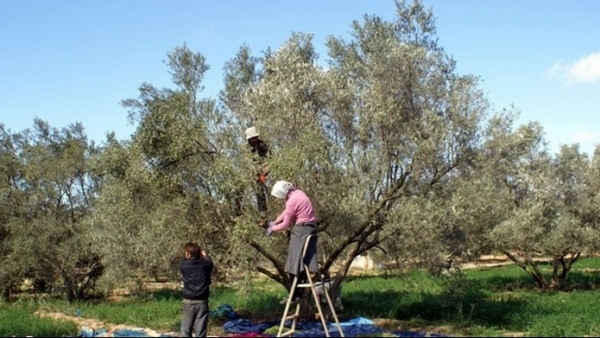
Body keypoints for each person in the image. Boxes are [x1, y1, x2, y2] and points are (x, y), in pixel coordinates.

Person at [266, 181, 318, 304]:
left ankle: (294, 296)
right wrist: (275, 221)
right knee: (303, 263)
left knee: (292, 263)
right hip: (310, 228)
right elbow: (287, 212)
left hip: (302, 229)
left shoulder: (291, 201)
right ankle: (297, 294)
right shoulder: (298, 193)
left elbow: (286, 224)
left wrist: (272, 229)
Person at [180, 242, 214, 337]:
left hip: (188, 300)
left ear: (188, 253)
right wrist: (204, 255)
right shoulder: (205, 265)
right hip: (202, 301)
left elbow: (184, 260)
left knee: (186, 329)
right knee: (201, 330)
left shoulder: (184, 265)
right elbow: (210, 263)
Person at [245, 126, 270, 213]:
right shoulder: (246, 148)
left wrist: (264, 172)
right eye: (253, 138)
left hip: (263, 172)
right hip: (250, 173)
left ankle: (264, 214)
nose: (255, 139)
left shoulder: (263, 144)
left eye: (255, 137)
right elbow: (247, 162)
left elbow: (269, 158)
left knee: (261, 192)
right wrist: (254, 173)